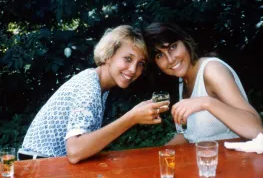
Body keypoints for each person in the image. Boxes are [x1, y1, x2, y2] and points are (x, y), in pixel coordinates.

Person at [18, 25, 169, 164]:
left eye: (140, 63)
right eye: (128, 59)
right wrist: (131, 118)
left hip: (50, 165)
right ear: (109, 55)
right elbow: (75, 151)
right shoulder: (89, 86)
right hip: (37, 166)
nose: (133, 69)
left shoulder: (100, 86)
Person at [144, 22, 263, 145]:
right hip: (206, 161)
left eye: (173, 47)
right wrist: (163, 153)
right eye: (160, 55)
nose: (170, 59)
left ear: (185, 42)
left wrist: (206, 102)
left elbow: (257, 131)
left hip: (237, 161)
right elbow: (189, 136)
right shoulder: (183, 79)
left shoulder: (212, 70)